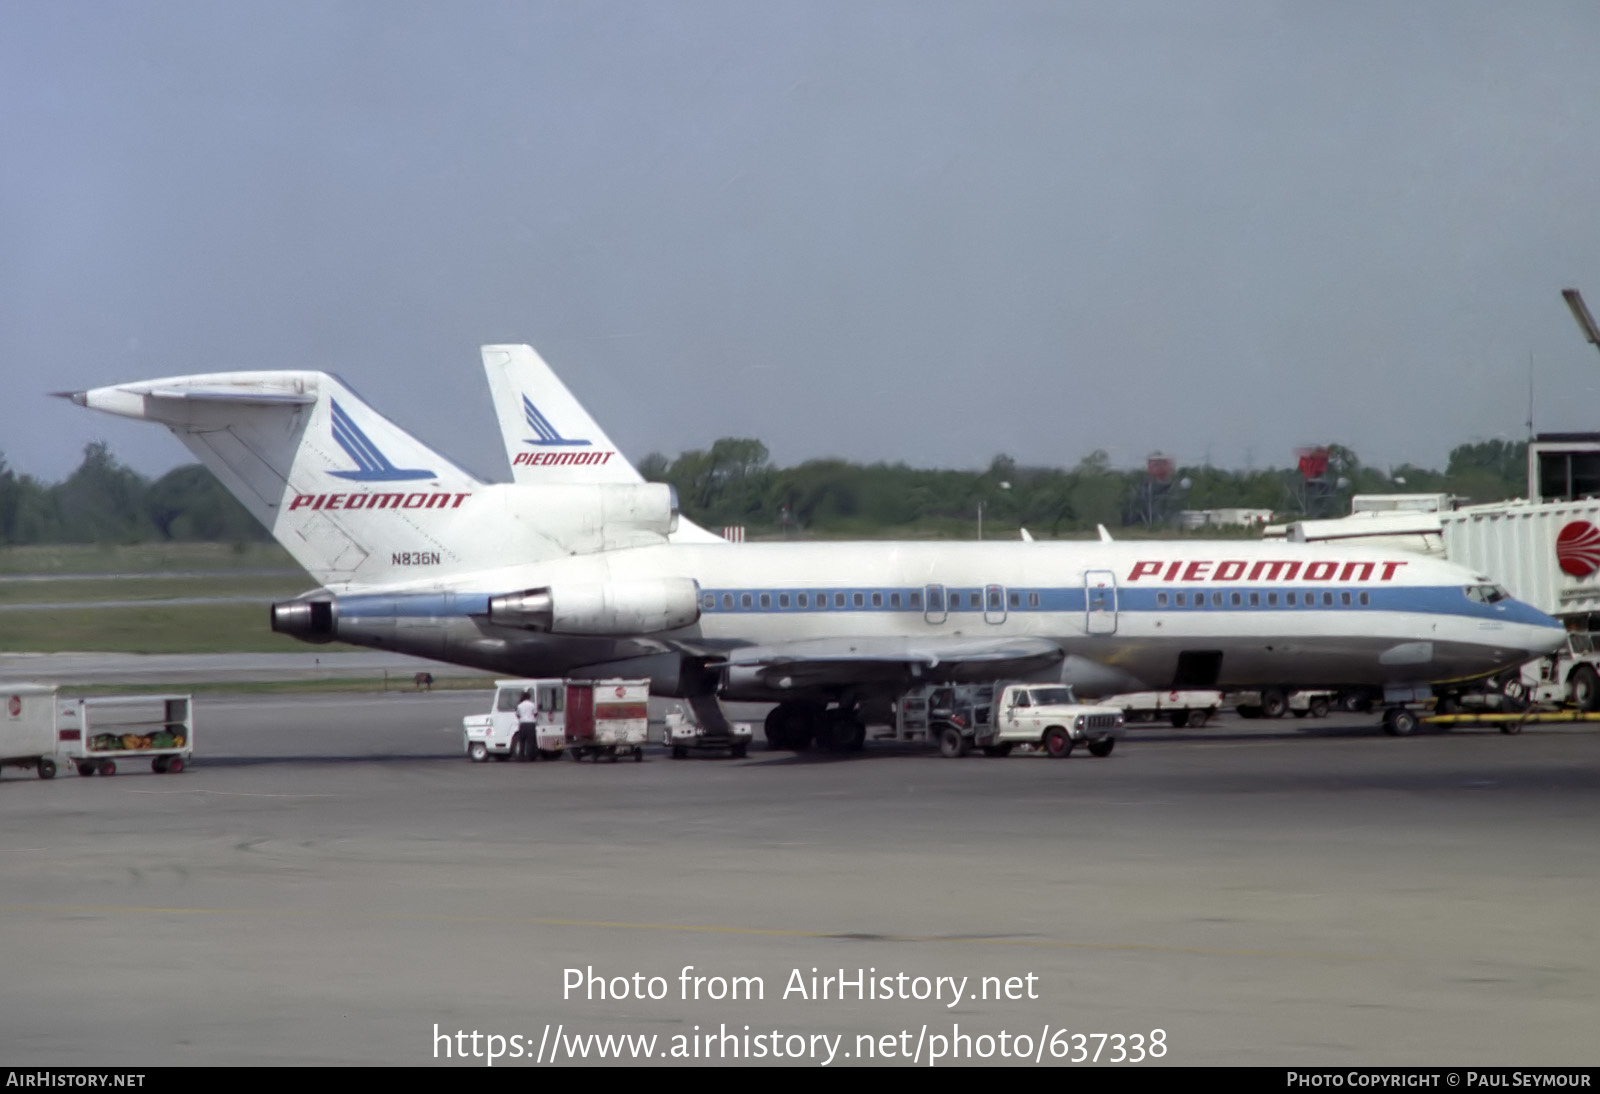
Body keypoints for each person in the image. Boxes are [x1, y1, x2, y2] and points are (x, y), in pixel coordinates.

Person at [514, 690, 538, 761]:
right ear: (529, 697)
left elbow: (517, 715)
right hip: (531, 724)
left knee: (522, 741)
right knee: (530, 742)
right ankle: (529, 757)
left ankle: (521, 757)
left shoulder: (519, 705)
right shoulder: (532, 704)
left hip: (523, 724)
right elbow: (535, 714)